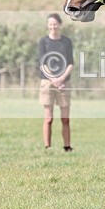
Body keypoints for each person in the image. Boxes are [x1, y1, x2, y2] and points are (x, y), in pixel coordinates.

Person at [38, 13, 74, 152]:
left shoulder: (66, 42)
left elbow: (70, 63)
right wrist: (53, 79)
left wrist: (61, 79)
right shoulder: (43, 42)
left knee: (65, 118)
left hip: (64, 83)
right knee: (48, 118)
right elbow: (42, 63)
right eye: (50, 24)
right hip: (47, 83)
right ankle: (47, 147)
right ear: (48, 25)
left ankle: (67, 146)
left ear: (60, 25)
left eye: (55, 24)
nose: (53, 26)